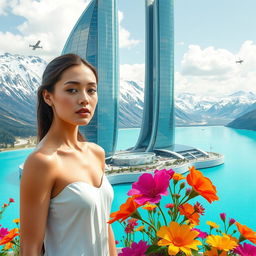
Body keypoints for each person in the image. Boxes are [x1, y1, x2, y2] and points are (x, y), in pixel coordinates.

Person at [20, 53, 117, 256]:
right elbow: (30, 248)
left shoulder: (96, 153)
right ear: (48, 96)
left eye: (91, 90)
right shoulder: (42, 162)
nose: (84, 99)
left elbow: (103, 225)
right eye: (72, 90)